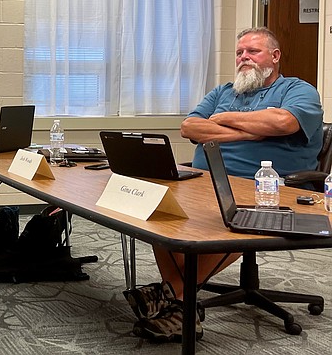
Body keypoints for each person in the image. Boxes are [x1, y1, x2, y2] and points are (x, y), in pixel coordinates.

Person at [124, 27, 323, 342]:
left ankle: (175, 297)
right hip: (206, 181)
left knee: (229, 219)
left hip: (268, 189)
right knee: (155, 211)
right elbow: (189, 126)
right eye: (240, 52)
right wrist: (250, 129)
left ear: (275, 56)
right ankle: (178, 300)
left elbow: (283, 122)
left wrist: (218, 121)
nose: (244, 57)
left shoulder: (298, 90)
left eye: (252, 51)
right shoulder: (223, 92)